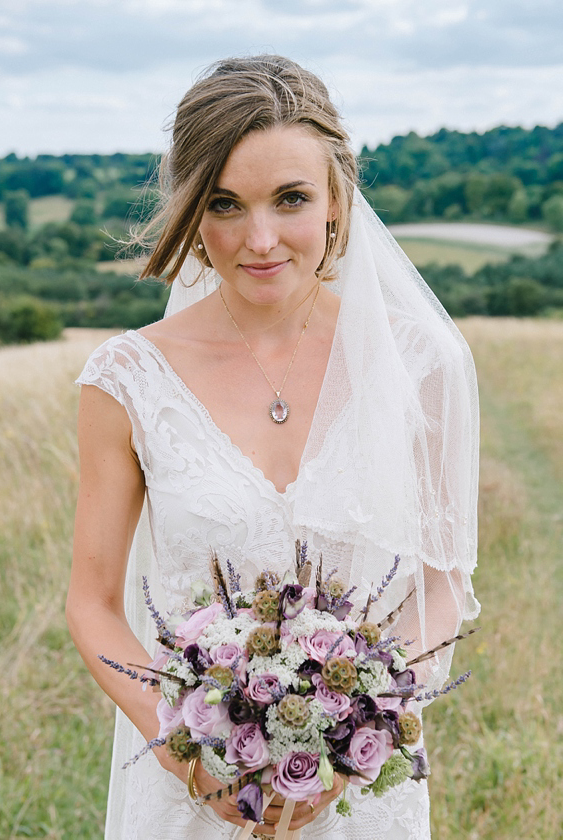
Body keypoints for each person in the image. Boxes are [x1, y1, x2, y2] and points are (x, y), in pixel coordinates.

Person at [67, 55, 480, 840]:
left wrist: (359, 731)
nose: (260, 240)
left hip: (361, 791)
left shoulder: (423, 365)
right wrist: (188, 753)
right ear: (192, 213)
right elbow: (92, 602)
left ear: (336, 202)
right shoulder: (126, 379)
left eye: (290, 199)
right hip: (192, 790)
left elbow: (442, 587)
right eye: (224, 205)